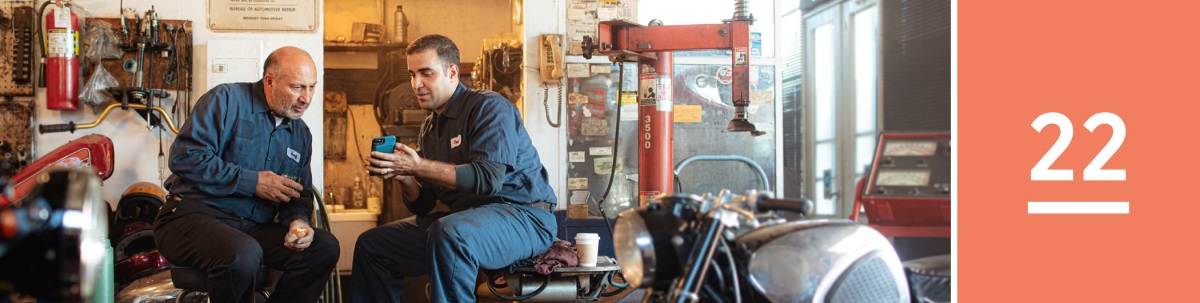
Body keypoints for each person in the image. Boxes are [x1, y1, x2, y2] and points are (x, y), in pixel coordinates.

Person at [352, 34, 558, 302]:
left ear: (452, 73)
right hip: (465, 220)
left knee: (450, 232)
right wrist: (405, 177)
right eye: (412, 75)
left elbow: (487, 180)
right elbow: (424, 203)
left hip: (525, 217)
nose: (416, 84)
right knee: (374, 245)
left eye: (426, 73)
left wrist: (419, 165)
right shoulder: (429, 127)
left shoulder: (489, 107)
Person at [153, 46, 339, 303]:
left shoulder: (300, 134)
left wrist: (298, 221)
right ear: (270, 81)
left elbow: (300, 194)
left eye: (311, 87)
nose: (306, 98)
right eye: (297, 87)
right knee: (243, 252)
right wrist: (253, 182)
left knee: (324, 248)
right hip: (191, 217)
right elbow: (185, 158)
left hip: (252, 227)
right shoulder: (226, 100)